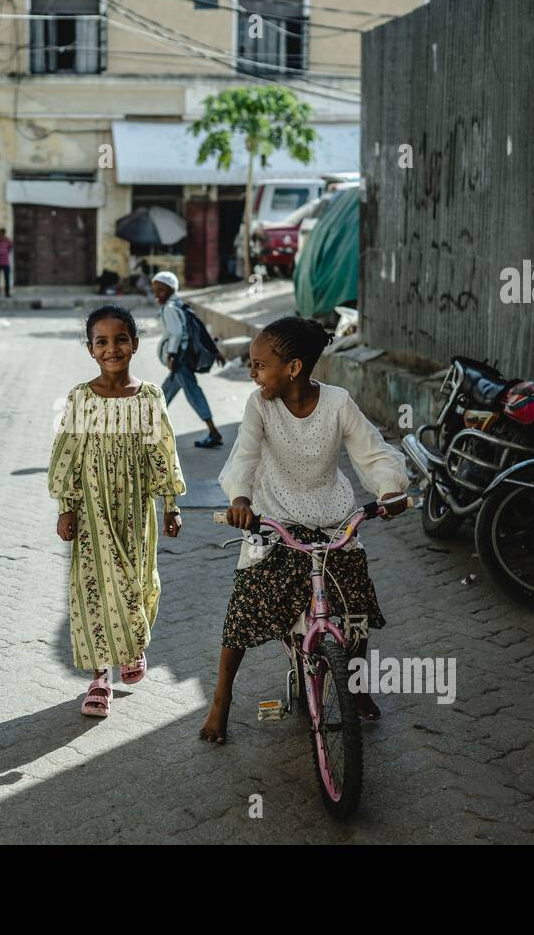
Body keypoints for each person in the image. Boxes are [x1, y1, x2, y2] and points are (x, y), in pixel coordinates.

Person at [199, 316, 410, 744]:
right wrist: (240, 499)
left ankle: (355, 686)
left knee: (355, 610)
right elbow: (244, 454)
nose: (252, 373)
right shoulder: (260, 406)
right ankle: (221, 698)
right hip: (274, 519)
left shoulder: (337, 403)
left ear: (293, 368)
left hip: (333, 519)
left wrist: (391, 489)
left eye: (259, 365)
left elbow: (373, 453)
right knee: (243, 610)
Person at [48, 305, 187, 718]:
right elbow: (67, 455)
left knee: (135, 583)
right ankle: (99, 677)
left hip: (136, 510)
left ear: (135, 344)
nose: (112, 349)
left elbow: (162, 451)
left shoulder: (149, 398)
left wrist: (171, 503)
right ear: (90, 349)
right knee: (95, 591)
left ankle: (133, 645)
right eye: (102, 342)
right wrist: (66, 506)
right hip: (92, 510)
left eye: (120, 339)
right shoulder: (80, 398)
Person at [152, 271, 225, 448]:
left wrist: (171, 355)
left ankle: (213, 432)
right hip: (182, 359)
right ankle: (152, 433)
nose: (157, 294)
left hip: (180, 360)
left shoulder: (170, 308)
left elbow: (177, 334)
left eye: (161, 290)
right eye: (155, 290)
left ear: (170, 290)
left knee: (192, 393)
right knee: (165, 393)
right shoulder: (180, 305)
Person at [0, 228, 13, 297]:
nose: (1, 235)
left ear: (4, 234)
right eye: (0, 233)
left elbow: (10, 249)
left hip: (5, 263)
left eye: (2, 233)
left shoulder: (8, 241)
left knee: (7, 279)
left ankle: (7, 293)